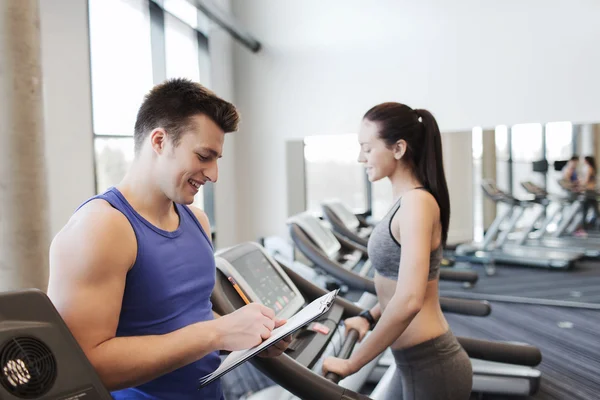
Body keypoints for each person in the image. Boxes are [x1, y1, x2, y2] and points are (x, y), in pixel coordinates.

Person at [47, 78, 290, 400]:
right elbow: (83, 365)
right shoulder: (101, 228)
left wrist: (246, 334)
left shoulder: (196, 219)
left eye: (217, 159)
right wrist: (217, 333)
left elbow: (189, 318)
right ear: (160, 141)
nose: (214, 174)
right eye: (204, 156)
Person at [322, 103, 472, 399]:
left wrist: (353, 363)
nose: (360, 157)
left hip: (432, 366)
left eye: (367, 147)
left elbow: (410, 299)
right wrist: (368, 315)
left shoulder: (417, 204)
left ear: (399, 148)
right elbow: (399, 284)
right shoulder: (405, 200)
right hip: (412, 362)